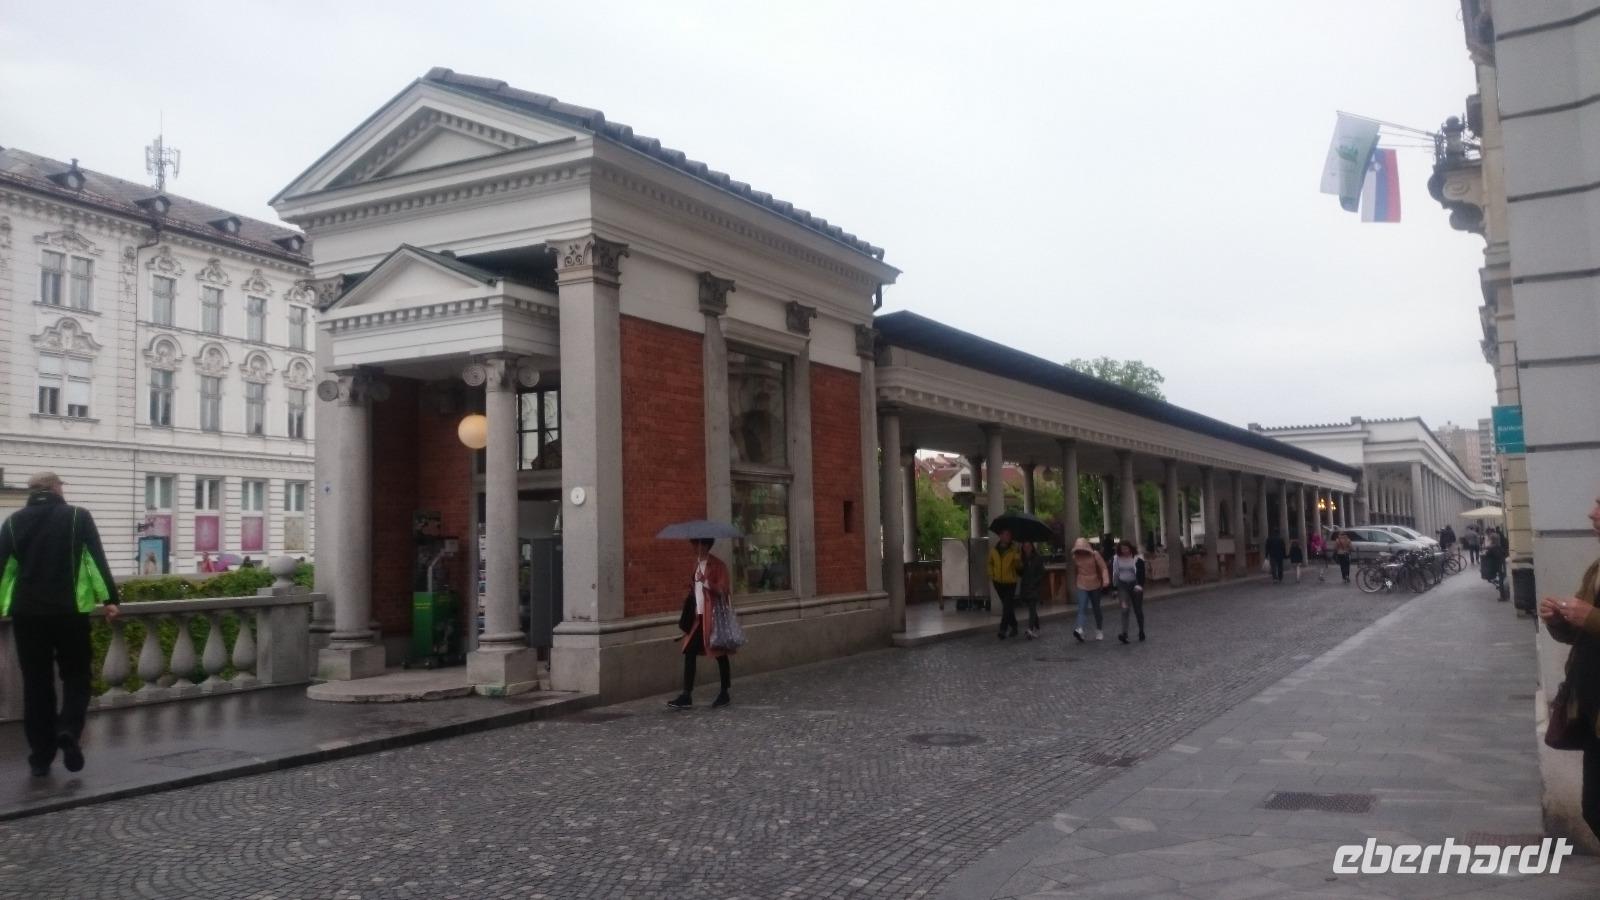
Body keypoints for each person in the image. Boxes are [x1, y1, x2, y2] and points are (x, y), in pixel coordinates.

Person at [0, 472, 120, 777]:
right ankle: (68, 728)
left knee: (36, 685)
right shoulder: (78, 516)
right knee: (77, 676)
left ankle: (41, 757)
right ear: (56, 488)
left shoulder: (13, 522)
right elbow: (95, 559)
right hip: (70, 612)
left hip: (27, 615)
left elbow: (4, 571)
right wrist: (109, 599)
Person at [1537, 492, 1600, 841]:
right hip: (1592, 710)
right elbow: (1582, 635)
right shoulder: (1597, 568)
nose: (1592, 513)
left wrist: (1590, 618)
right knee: (1593, 807)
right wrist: (1559, 620)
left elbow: (1593, 623)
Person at [668, 538, 733, 709]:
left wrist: (705, 582)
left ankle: (724, 692)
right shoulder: (695, 564)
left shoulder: (718, 565)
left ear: (706, 545)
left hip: (712, 617)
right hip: (697, 617)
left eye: (698, 544)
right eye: (694, 545)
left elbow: (723, 590)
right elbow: (694, 589)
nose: (696, 548)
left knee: (720, 653)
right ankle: (686, 695)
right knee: (689, 652)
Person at [1070, 537, 1110, 642]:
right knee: (1081, 607)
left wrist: (1105, 580)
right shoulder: (1075, 556)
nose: (1081, 550)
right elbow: (1076, 570)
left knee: (1096, 608)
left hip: (1095, 584)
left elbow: (1103, 567)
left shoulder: (1095, 554)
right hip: (1081, 584)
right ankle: (1079, 629)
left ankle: (1099, 630)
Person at [988, 528, 1022, 639]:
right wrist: (992, 575)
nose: (1008, 537)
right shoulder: (994, 550)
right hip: (998, 582)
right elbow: (990, 563)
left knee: (1007, 606)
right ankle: (1014, 625)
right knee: (1008, 607)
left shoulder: (1014, 549)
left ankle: (1003, 629)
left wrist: (1017, 559)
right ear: (1001, 536)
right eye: (1006, 534)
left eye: (1010, 535)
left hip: (1010, 582)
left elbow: (1019, 567)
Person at [1111, 540, 1147, 643]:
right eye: (1122, 549)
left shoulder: (1137, 558)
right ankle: (1124, 634)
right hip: (1123, 586)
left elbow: (1141, 573)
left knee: (1138, 610)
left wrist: (1139, 585)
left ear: (1130, 548)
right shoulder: (1116, 558)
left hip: (1135, 585)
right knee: (1124, 609)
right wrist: (1114, 587)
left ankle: (1141, 631)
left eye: (1126, 548)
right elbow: (1115, 573)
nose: (1124, 551)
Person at [1016, 541, 1047, 639]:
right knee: (1031, 606)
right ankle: (1036, 624)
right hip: (1026, 586)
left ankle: (1030, 629)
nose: (1026, 548)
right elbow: (1020, 573)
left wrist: (1035, 581)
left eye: (1028, 546)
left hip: (1034, 586)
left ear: (1032, 547)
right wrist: (1019, 567)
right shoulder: (1022, 559)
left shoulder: (1037, 558)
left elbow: (1042, 572)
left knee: (1032, 607)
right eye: (1024, 546)